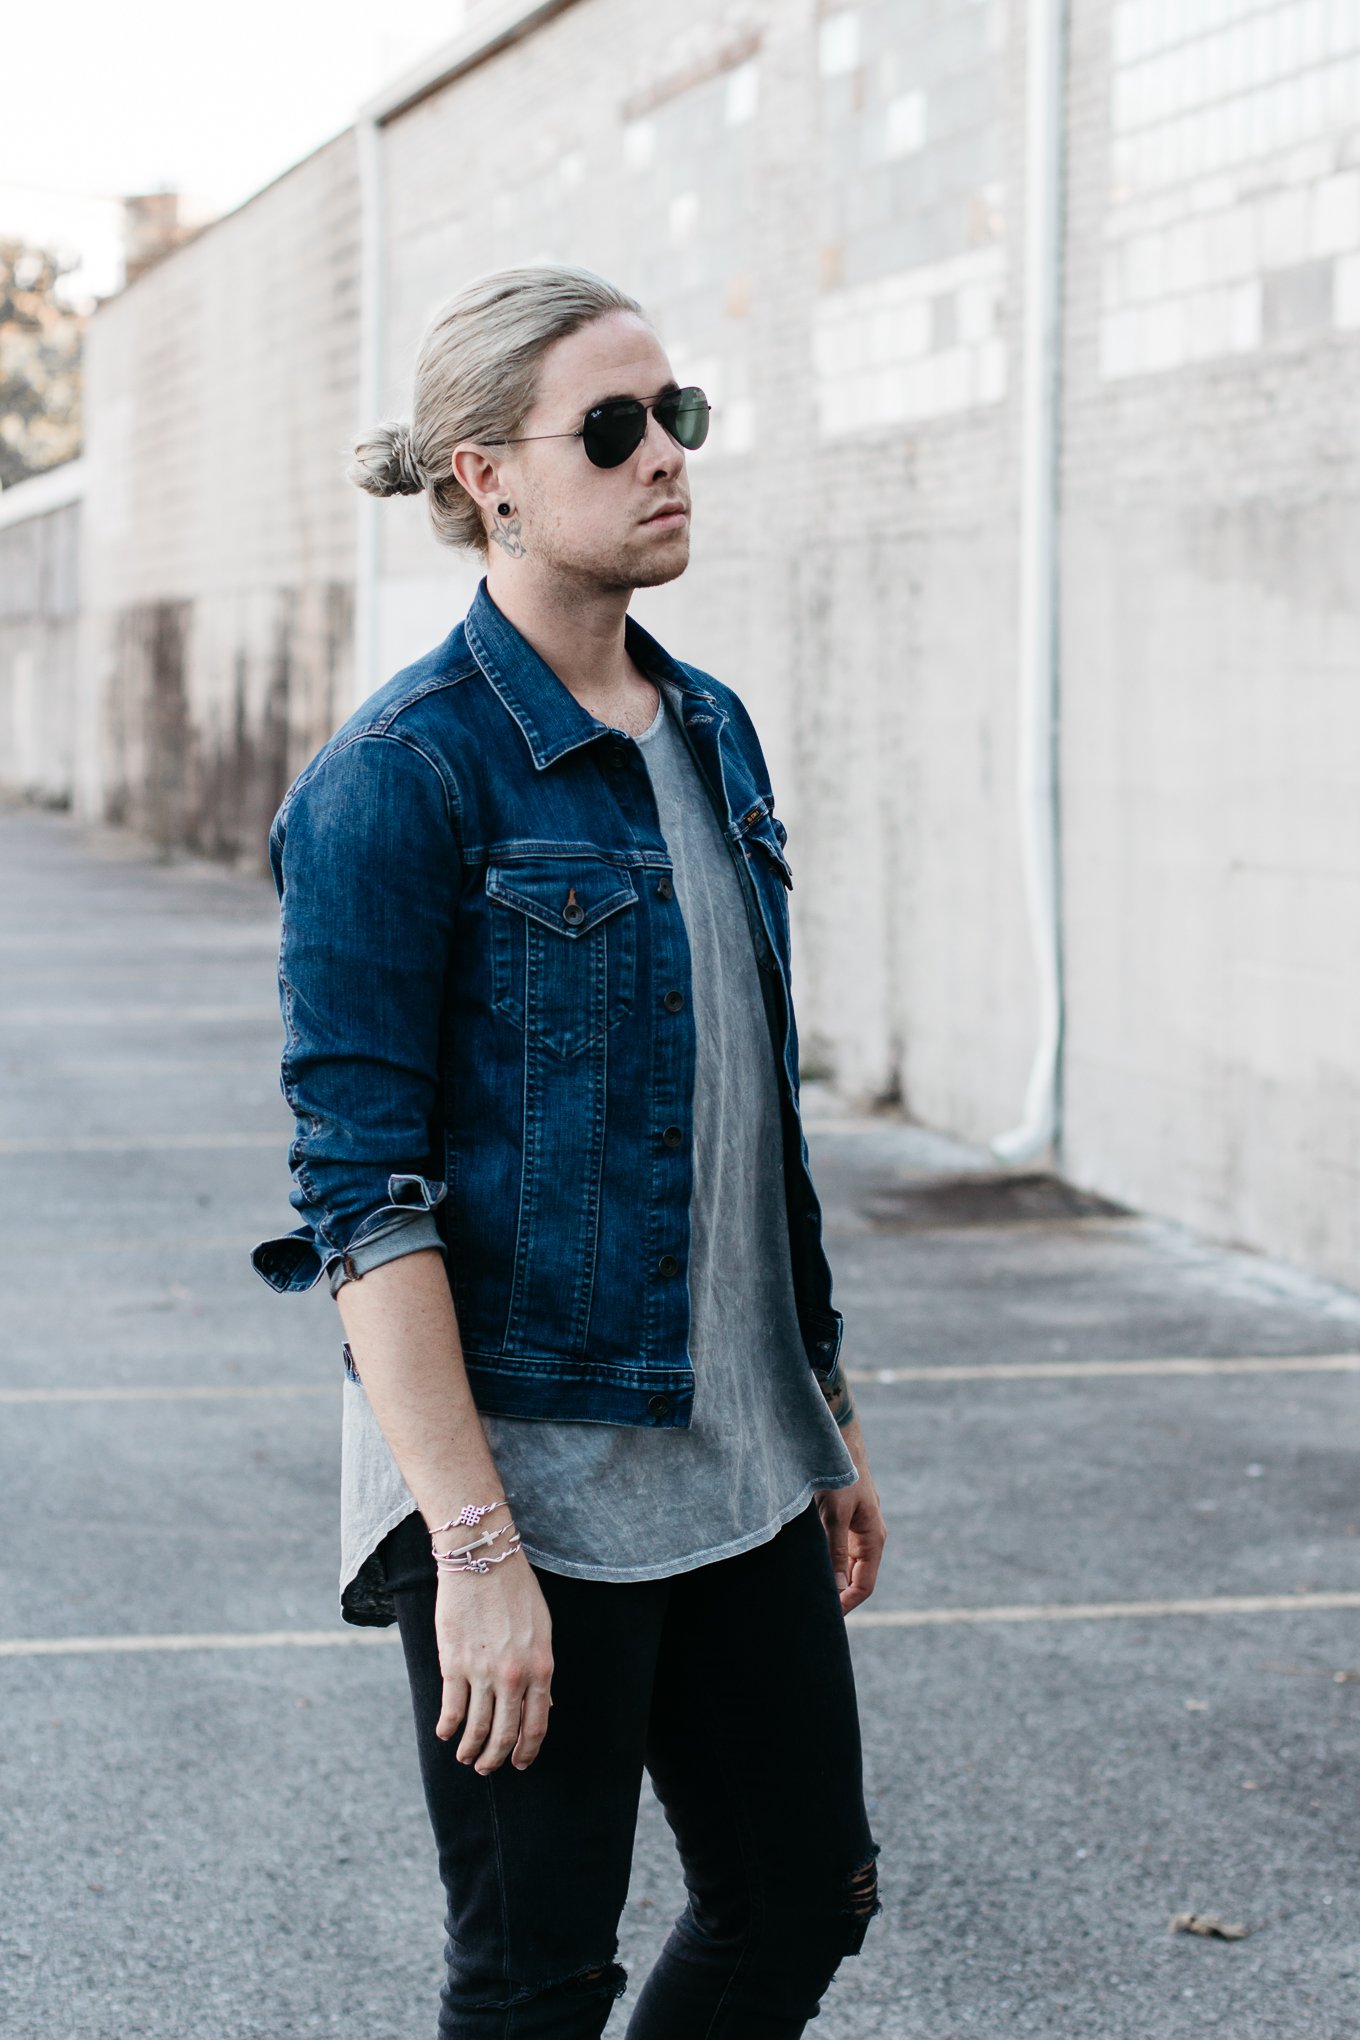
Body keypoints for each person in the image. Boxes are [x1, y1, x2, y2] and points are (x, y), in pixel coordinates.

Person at [251, 263, 886, 2038]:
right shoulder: (401, 775)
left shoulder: (713, 727)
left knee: (798, 1897)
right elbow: (361, 1201)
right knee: (536, 1984)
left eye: (678, 413)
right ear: (487, 476)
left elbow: (749, 1113)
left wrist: (815, 1400)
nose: (666, 456)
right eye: (613, 428)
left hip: (738, 1456)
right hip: (528, 1484)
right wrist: (473, 1550)